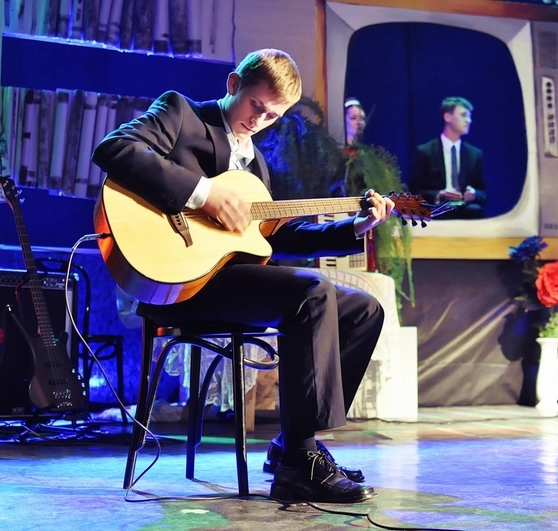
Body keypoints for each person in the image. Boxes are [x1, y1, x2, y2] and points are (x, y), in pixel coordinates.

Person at [91, 49, 395, 503]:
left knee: (364, 309)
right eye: (256, 106)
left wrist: (355, 228)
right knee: (312, 291)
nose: (260, 120)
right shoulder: (182, 113)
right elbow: (113, 149)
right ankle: (299, 465)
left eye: (273, 116)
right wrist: (203, 195)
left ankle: (294, 445)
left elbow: (277, 236)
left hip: (231, 282)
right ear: (233, 84)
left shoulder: (256, 166)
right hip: (178, 283)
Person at [408, 96, 486, 219]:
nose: (469, 120)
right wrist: (439, 194)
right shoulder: (425, 152)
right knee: (448, 209)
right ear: (447, 117)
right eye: (463, 115)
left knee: (474, 210)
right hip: (438, 207)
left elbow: (483, 192)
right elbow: (414, 190)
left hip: (466, 207)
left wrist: (474, 194)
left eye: (469, 116)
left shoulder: (475, 154)